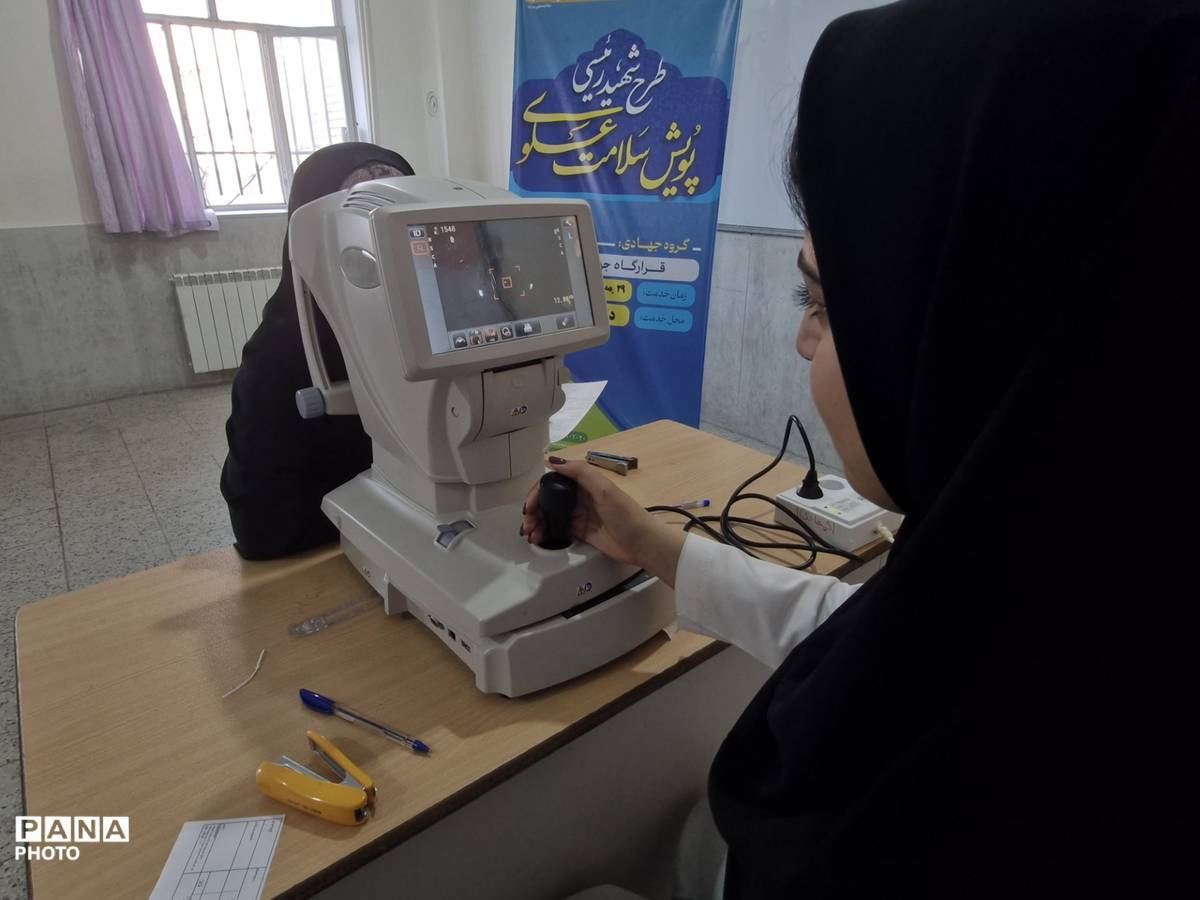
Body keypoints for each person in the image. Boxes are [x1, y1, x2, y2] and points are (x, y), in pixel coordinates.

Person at [530, 0, 1200, 894]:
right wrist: (656, 545)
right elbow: (879, 639)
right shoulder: (1069, 572)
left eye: (825, 302)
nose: (804, 341)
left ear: (984, 325)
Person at [221, 143, 414, 560]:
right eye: (361, 221)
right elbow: (261, 522)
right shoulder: (277, 354)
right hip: (330, 549)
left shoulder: (425, 321)